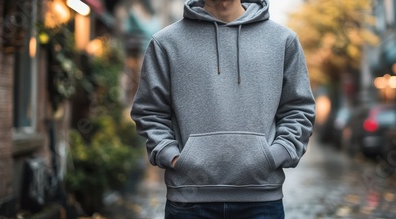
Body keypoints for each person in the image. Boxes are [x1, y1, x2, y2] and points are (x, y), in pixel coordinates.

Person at [131, 0, 316, 218]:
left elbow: (299, 108)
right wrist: (172, 156)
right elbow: (149, 110)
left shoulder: (283, 41)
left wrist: (275, 154)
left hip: (261, 200)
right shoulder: (166, 42)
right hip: (189, 201)